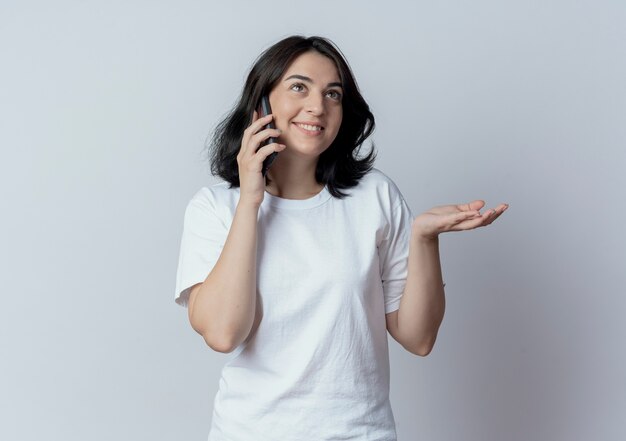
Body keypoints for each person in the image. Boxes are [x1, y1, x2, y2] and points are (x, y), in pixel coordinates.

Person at [174, 35, 508, 441]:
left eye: (333, 93)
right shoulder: (214, 208)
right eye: (299, 87)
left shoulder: (375, 196)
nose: (318, 106)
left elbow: (418, 338)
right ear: (260, 104)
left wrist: (423, 239)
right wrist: (250, 199)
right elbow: (224, 333)